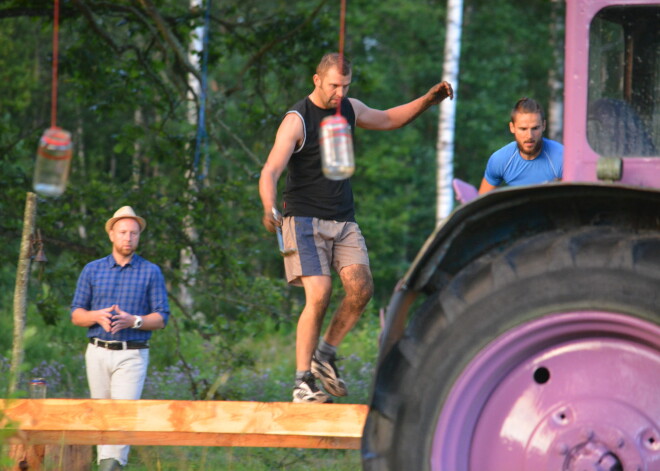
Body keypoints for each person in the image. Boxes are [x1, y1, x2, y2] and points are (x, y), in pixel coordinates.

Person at [258, 52, 453, 403]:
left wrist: (428, 99)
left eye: (345, 86)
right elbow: (270, 170)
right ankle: (302, 382)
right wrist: (268, 204)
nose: (339, 93)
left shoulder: (348, 108)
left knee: (361, 289)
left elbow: (391, 118)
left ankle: (325, 355)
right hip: (303, 220)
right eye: (334, 85)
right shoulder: (296, 120)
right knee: (319, 294)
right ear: (316, 80)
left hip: (343, 220)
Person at [71, 206, 170, 471]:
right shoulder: (92, 270)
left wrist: (134, 320)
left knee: (122, 417)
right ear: (112, 234)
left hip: (132, 353)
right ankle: (105, 464)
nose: (128, 238)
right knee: (102, 416)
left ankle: (111, 467)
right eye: (123, 232)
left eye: (134, 233)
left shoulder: (151, 272)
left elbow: (161, 317)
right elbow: (76, 314)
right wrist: (96, 316)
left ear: (139, 237)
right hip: (97, 351)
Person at [479, 97, 563, 194]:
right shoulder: (500, 160)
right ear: (512, 127)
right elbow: (480, 201)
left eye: (535, 128)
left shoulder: (562, 158)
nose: (529, 136)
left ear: (543, 126)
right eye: (523, 129)